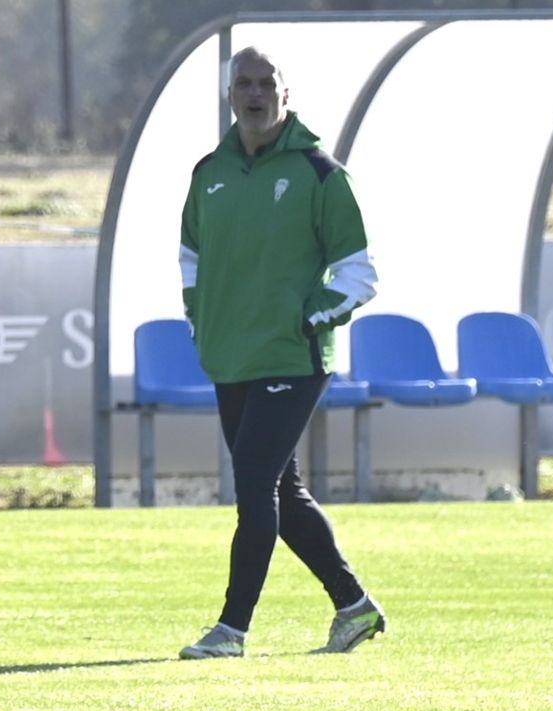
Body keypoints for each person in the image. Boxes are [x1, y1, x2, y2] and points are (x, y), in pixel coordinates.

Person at [175, 48, 387, 660]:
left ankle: (231, 629)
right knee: (282, 493)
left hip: (293, 358)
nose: (255, 93)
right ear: (230, 95)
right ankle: (354, 606)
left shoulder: (320, 173)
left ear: (285, 94)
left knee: (254, 483)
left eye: (266, 83)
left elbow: (360, 274)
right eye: (244, 83)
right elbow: (190, 257)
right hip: (230, 356)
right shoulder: (209, 173)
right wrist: (200, 318)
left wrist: (308, 317)